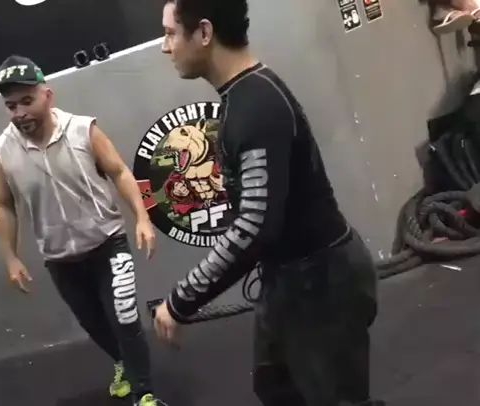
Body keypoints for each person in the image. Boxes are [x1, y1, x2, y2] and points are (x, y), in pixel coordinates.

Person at [153, 1, 383, 405]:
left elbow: (255, 227)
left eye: (171, 33)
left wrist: (180, 301)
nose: (164, 46)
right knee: (276, 387)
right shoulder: (242, 97)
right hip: (289, 281)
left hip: (322, 284)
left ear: (204, 33)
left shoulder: (256, 106)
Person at [0, 55, 164, 406]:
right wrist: (11, 257)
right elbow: (3, 204)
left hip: (107, 244)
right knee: (94, 325)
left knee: (125, 318)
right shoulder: (2, 150)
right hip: (60, 259)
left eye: (26, 101)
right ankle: (122, 364)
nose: (19, 112)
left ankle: (144, 393)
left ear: (47, 95)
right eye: (11, 106)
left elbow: (119, 172)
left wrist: (143, 218)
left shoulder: (83, 129)